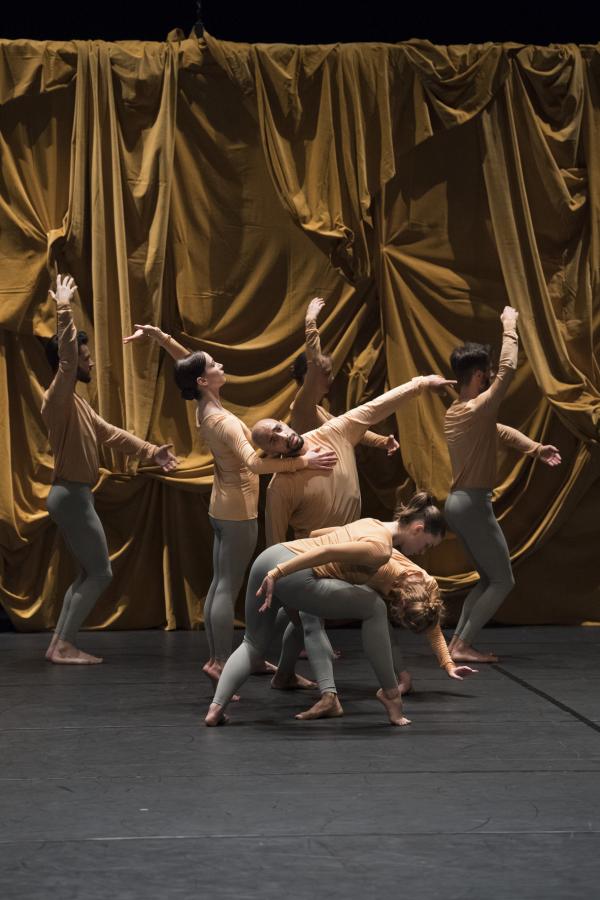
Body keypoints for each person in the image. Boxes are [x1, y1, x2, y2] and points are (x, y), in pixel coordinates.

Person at [123, 324, 337, 687]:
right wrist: (304, 462)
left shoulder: (203, 403)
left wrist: (161, 338)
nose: (220, 365)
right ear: (203, 381)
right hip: (237, 510)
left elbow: (189, 364)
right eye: (214, 365)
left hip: (222, 505)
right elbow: (254, 464)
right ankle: (221, 661)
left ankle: (221, 658)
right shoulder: (223, 422)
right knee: (227, 586)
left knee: (220, 583)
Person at [43, 276, 178, 665]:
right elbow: (68, 358)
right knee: (101, 573)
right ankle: (64, 646)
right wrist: (64, 308)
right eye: (85, 357)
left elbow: (111, 434)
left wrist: (152, 451)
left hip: (74, 495)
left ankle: (58, 644)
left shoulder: (78, 405)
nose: (88, 362)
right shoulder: (58, 398)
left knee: (88, 573)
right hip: (71, 495)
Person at [205, 511, 438, 728]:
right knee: (375, 608)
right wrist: (279, 572)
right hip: (288, 570)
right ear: (417, 529)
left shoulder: (371, 523)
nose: (423, 551)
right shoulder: (381, 548)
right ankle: (391, 695)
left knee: (253, 643)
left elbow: (318, 535)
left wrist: (279, 571)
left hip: (270, 556)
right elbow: (326, 553)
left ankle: (216, 709)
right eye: (426, 544)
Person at [276, 494, 477, 720]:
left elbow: (433, 629)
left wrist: (449, 665)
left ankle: (284, 676)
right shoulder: (383, 558)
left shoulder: (427, 585)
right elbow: (324, 536)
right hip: (328, 568)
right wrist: (314, 542)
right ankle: (325, 695)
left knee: (309, 617)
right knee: (306, 617)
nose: (423, 552)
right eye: (427, 545)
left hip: (344, 579)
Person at [444, 306, 562, 664]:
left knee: (487, 579)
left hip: (457, 504)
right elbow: (509, 368)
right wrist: (509, 325)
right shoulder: (477, 408)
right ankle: (462, 645)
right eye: (488, 373)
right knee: (503, 581)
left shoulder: (458, 412)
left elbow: (502, 432)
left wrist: (536, 449)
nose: (493, 376)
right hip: (472, 505)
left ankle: (456, 643)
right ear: (480, 375)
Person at [289, 296, 398, 455]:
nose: (331, 379)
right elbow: (315, 362)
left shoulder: (317, 410)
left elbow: (348, 426)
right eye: (326, 374)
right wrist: (310, 321)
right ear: (308, 376)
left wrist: (383, 442)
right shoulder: (300, 406)